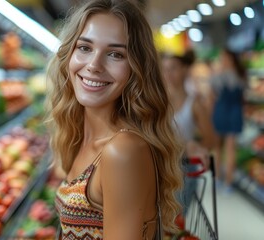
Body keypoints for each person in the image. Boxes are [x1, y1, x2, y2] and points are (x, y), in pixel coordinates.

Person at [45, 0, 184, 239]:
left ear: (136, 69)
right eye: (85, 48)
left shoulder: (123, 151)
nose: (94, 65)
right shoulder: (80, 135)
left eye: (115, 54)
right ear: (69, 53)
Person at [161, 51, 216, 214]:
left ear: (184, 70)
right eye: (164, 69)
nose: (168, 74)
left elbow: (211, 139)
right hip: (160, 165)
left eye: (173, 68)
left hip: (184, 169)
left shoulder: (195, 104)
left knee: (176, 220)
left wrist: (195, 147)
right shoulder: (157, 102)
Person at [210, 47, 246, 194]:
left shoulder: (220, 75)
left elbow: (213, 93)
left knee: (219, 148)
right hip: (235, 112)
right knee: (230, 149)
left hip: (222, 111)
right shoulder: (241, 74)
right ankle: (228, 182)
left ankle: (219, 178)